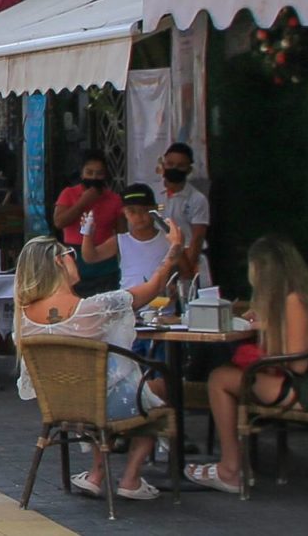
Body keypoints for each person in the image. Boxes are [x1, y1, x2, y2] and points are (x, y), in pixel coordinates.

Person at [14, 221, 185, 500]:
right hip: (103, 405)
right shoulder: (94, 308)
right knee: (158, 389)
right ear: (59, 262)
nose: (75, 257)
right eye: (70, 253)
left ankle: (96, 473)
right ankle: (130, 478)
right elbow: (153, 288)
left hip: (61, 405)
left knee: (103, 386)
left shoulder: (22, 318)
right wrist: (173, 251)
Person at [185, 236, 308, 493]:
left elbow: (297, 365)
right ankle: (235, 464)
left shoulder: (295, 300)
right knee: (231, 373)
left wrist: (268, 327)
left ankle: (231, 469)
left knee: (220, 378)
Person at [53, 150, 124, 296]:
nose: (94, 177)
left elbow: (122, 233)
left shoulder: (114, 199)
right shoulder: (69, 193)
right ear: (82, 174)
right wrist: (82, 203)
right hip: (74, 257)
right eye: (89, 172)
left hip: (104, 259)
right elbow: (59, 222)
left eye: (99, 174)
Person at [158, 142, 211, 286]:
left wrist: (186, 272)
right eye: (170, 164)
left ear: (189, 170)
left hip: (188, 261)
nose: (174, 168)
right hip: (159, 261)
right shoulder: (153, 194)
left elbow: (197, 238)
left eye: (180, 165)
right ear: (163, 165)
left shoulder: (197, 199)